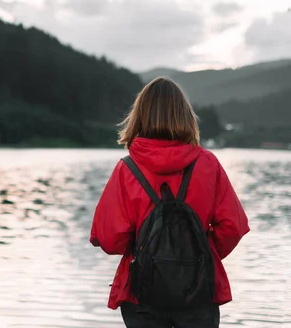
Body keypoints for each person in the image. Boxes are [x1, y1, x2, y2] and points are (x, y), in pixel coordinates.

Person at [89, 77, 250, 328]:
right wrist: (198, 251)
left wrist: (146, 248)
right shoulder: (208, 164)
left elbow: (110, 238)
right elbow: (233, 226)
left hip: (141, 294)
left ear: (139, 116)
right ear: (185, 116)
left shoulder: (126, 169)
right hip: (199, 292)